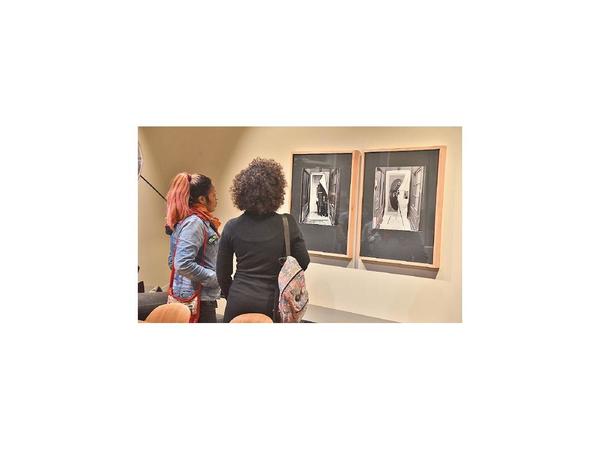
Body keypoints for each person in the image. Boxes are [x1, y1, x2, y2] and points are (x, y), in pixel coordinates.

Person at [217, 158, 310, 323]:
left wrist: (232, 294)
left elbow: (222, 273)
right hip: (273, 302)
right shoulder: (287, 223)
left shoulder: (232, 226)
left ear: (242, 191)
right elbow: (303, 261)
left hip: (238, 300)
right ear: (277, 192)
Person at [165, 172, 221, 323]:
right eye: (214, 195)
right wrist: (215, 278)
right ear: (202, 199)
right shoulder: (195, 222)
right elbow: (181, 263)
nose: (216, 199)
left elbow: (172, 261)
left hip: (193, 298)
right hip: (199, 301)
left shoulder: (186, 220)